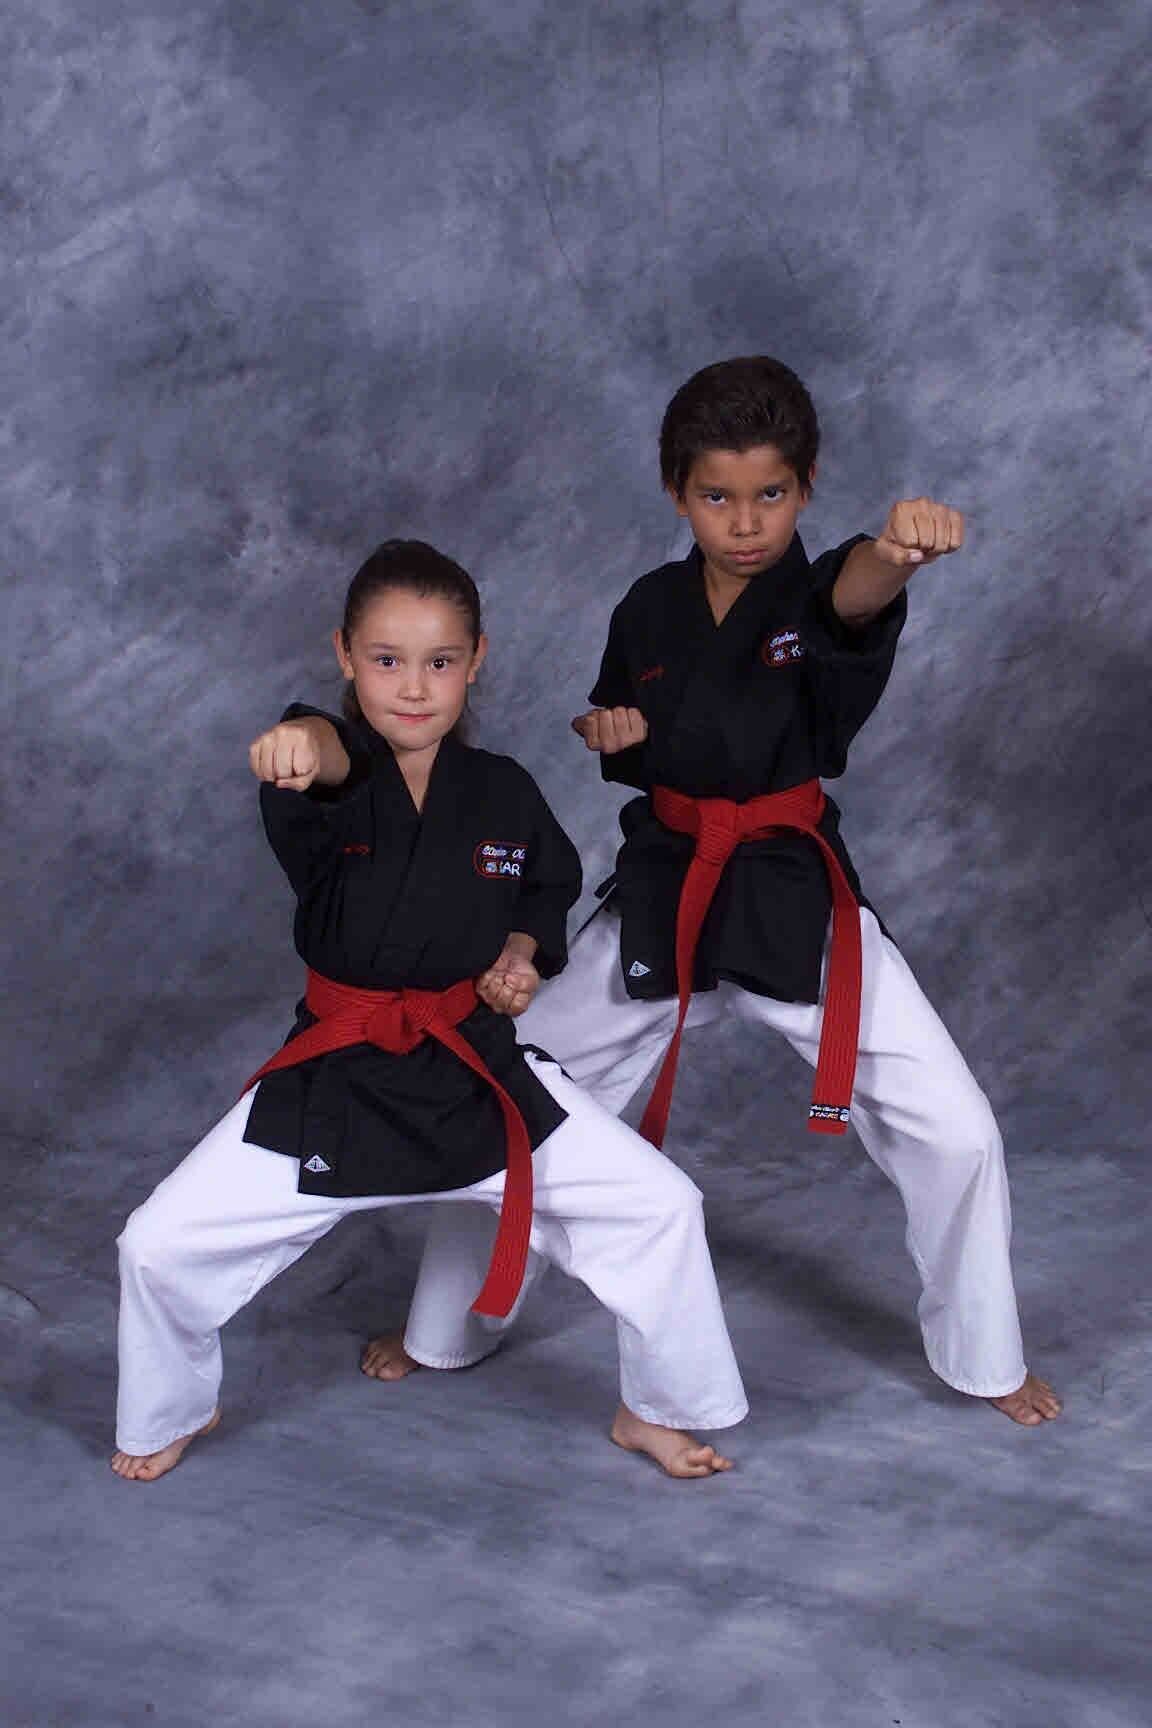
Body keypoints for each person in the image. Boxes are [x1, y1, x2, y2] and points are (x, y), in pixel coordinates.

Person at [368, 361, 1061, 1427]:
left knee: (958, 1130)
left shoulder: (823, 583)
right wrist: (612, 735)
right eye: (718, 497)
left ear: (809, 484)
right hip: (667, 890)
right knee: (498, 1081)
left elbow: (856, 596)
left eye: (771, 494)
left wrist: (899, 550)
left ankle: (986, 1356)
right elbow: (618, 728)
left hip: (786, 888)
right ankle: (446, 1330)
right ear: (676, 491)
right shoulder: (647, 608)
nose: (746, 523)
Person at [111, 539, 748, 1483]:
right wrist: (301, 741)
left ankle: (654, 1410)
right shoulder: (326, 769)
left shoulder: (502, 790)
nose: (413, 687)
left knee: (661, 1204)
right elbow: (320, 756)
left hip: (474, 1071)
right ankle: (170, 1409)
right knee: (157, 1244)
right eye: (386, 660)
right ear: (344, 656)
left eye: (440, 661)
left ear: (476, 660)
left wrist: (522, 959)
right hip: (343, 1074)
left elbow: (546, 889)